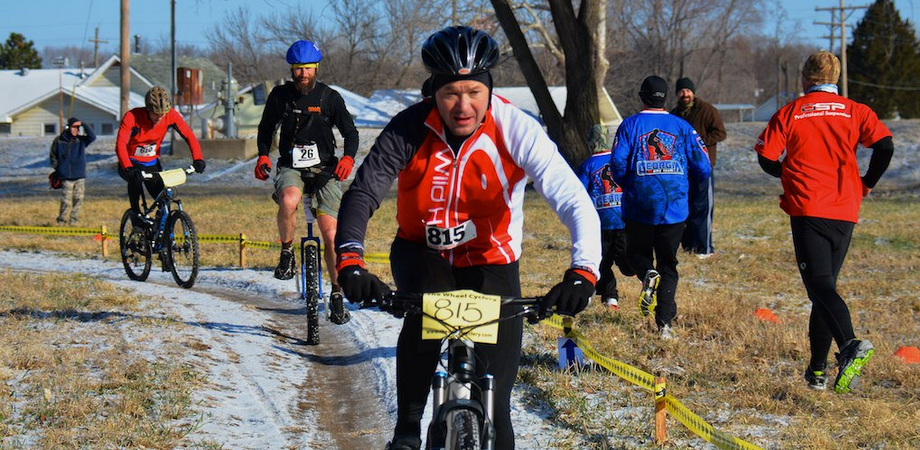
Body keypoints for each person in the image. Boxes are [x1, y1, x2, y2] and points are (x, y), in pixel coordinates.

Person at [334, 26, 601, 450]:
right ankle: (406, 432)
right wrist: (350, 259)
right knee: (426, 318)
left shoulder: (516, 128)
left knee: (498, 408)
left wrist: (583, 271)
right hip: (421, 252)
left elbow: (574, 201)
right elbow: (365, 191)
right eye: (451, 94)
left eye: (474, 92)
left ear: (490, 88)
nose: (463, 106)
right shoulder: (409, 127)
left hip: (492, 262)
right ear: (433, 93)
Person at [754, 51, 893, 393]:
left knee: (820, 287)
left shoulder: (792, 111)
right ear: (837, 76)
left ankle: (849, 345)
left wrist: (786, 174)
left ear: (805, 79)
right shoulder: (856, 110)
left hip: (808, 207)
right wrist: (867, 182)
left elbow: (765, 156)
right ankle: (817, 370)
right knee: (824, 288)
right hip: (845, 208)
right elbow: (885, 146)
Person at [254, 40, 358, 326]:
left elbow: (350, 132)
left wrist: (348, 158)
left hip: (326, 170)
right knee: (288, 200)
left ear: (316, 68)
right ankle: (286, 252)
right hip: (291, 167)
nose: (303, 74)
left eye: (308, 69)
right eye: (298, 69)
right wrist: (263, 155)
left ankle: (337, 294)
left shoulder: (329, 97)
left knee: (331, 234)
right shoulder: (280, 96)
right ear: (291, 69)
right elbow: (265, 128)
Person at [610, 76, 711, 339]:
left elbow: (618, 165)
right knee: (669, 264)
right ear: (666, 97)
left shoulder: (630, 125)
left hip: (640, 205)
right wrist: (686, 183)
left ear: (642, 96)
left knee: (637, 254)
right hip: (674, 208)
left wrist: (629, 184)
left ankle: (646, 273)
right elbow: (703, 166)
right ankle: (665, 323)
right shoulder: (682, 126)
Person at [116, 86, 206, 223]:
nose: (159, 117)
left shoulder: (171, 115)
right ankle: (135, 217)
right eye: (155, 113)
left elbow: (189, 136)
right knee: (135, 182)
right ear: (148, 109)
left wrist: (198, 158)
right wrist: (128, 167)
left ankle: (161, 234)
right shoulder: (132, 117)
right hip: (130, 163)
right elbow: (120, 145)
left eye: (162, 114)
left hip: (151, 163)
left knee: (163, 201)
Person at [576, 124, 634, 311]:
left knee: (602, 262)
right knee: (627, 258)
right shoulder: (619, 161)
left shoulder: (588, 166)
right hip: (624, 219)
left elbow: (580, 194)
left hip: (601, 223)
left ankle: (610, 297)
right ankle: (641, 273)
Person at [670, 77, 726, 258]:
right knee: (685, 207)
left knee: (702, 207)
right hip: (682, 169)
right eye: (681, 91)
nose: (684, 94)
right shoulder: (674, 114)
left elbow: (720, 133)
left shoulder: (707, 110)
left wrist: (699, 143)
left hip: (703, 166)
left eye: (687, 90)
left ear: (693, 92)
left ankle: (704, 247)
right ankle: (688, 245)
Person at [50, 117, 95, 225]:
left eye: (77, 128)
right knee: (66, 200)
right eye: (74, 127)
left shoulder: (81, 140)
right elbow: (53, 156)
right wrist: (59, 168)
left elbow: (92, 136)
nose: (76, 130)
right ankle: (62, 220)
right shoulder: (58, 140)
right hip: (65, 177)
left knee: (78, 199)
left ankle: (74, 220)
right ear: (68, 127)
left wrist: (83, 122)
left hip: (79, 176)